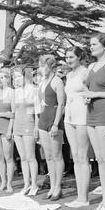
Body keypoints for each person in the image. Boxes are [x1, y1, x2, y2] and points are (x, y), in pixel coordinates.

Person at [82, 33, 105, 210]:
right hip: (91, 114)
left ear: (104, 46)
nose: (91, 47)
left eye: (94, 44)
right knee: (99, 158)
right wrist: (87, 97)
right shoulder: (91, 66)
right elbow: (89, 88)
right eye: (90, 44)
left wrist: (96, 95)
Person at [63, 46, 91, 208]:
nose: (68, 60)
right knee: (75, 156)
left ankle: (84, 198)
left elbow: (90, 92)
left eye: (71, 57)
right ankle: (80, 196)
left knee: (82, 157)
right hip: (69, 117)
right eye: (67, 57)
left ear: (79, 57)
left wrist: (87, 100)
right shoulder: (69, 74)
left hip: (82, 116)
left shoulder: (85, 72)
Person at [37, 56, 66, 201]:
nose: (41, 69)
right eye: (40, 66)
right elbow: (40, 104)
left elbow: (61, 104)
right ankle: (53, 185)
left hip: (54, 121)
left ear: (50, 66)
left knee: (57, 155)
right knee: (48, 156)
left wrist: (55, 124)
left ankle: (58, 187)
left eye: (43, 66)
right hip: (43, 120)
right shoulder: (42, 82)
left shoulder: (57, 81)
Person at [11, 66, 40, 196]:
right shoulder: (15, 92)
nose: (17, 79)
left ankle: (34, 184)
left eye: (18, 76)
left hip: (29, 124)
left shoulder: (33, 90)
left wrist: (36, 127)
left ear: (24, 76)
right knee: (22, 157)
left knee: (30, 156)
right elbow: (14, 112)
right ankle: (26, 184)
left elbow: (38, 111)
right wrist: (12, 129)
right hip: (17, 126)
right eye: (14, 77)